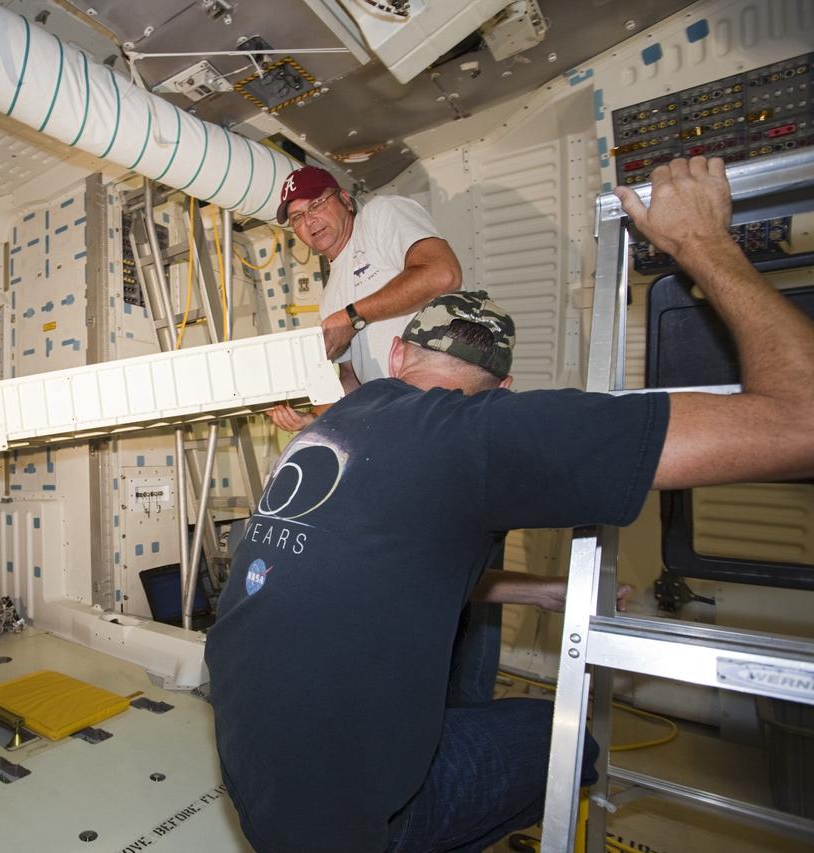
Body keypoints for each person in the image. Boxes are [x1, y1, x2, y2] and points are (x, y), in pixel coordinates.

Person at [205, 157, 814, 852]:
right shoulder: (485, 432)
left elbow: (403, 562)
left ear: (397, 355)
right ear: (504, 387)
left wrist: (544, 590)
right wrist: (704, 242)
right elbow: (802, 422)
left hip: (251, 777)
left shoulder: (341, 421)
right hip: (345, 824)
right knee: (564, 742)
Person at [268, 164, 462, 432]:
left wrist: (352, 317)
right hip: (399, 421)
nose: (309, 220)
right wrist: (312, 419)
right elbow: (352, 379)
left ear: (345, 200)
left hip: (443, 406)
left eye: (316, 204)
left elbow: (443, 273)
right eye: (297, 217)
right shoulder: (329, 297)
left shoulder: (379, 215)